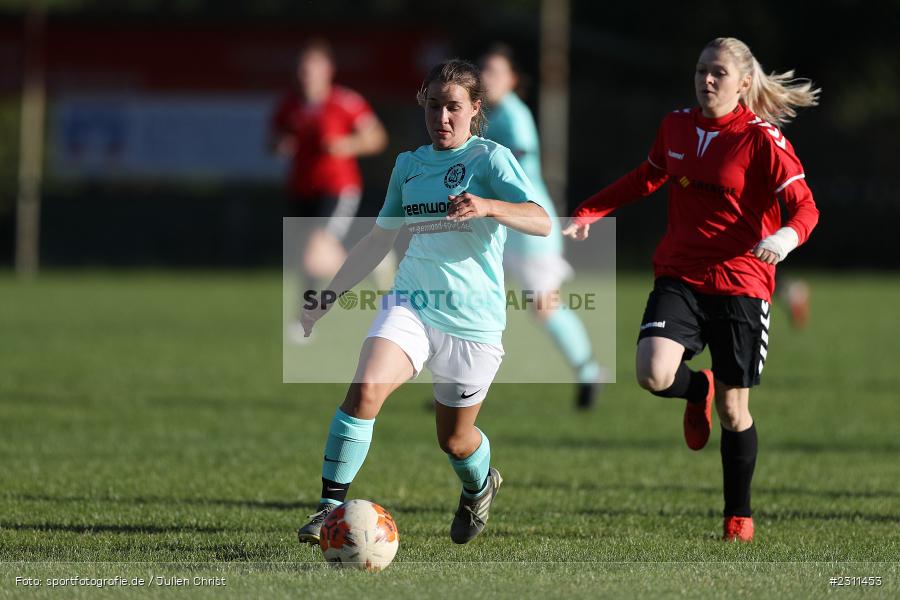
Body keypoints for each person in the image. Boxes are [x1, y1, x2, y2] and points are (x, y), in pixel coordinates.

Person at [563, 37, 820, 542]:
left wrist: (785, 238)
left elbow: (806, 207)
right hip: (680, 275)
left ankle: (737, 516)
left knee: (733, 410)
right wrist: (592, 208)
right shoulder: (676, 126)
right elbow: (648, 177)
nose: (706, 80)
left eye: (718, 73)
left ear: (743, 83)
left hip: (742, 283)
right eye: (701, 70)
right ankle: (693, 386)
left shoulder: (762, 139)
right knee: (652, 373)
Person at [296, 59, 550, 545]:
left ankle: (480, 485)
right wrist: (327, 296)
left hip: (474, 323)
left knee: (454, 440)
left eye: (454, 107)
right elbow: (377, 240)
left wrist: (489, 205)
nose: (443, 117)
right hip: (411, 303)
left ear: (476, 109)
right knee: (365, 388)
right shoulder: (409, 166)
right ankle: (328, 509)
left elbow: (540, 219)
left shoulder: (490, 159)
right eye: (434, 106)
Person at [481, 44, 605, 409]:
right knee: (474, 298)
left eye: (496, 72)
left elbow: (512, 165)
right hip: (503, 225)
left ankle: (588, 371)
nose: (488, 78)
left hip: (530, 228)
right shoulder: (488, 114)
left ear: (512, 80)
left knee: (544, 307)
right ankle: (458, 385)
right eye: (484, 70)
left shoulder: (513, 116)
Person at [271, 39, 390, 341]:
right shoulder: (289, 105)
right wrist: (279, 146)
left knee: (315, 254)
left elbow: (377, 137)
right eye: (302, 68)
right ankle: (306, 317)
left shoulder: (345, 103)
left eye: (312, 68)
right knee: (306, 260)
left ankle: (367, 264)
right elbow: (273, 142)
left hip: (337, 189)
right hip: (301, 190)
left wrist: (346, 145)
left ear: (328, 71)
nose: (306, 75)